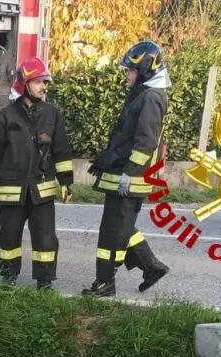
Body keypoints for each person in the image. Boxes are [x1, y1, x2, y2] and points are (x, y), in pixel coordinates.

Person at [82, 41, 171, 298]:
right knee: (122, 228)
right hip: (124, 176)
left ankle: (105, 283)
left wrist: (128, 174)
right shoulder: (144, 94)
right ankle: (151, 266)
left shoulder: (151, 97)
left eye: (130, 70)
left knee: (112, 233)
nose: (126, 75)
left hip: (129, 178)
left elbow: (146, 142)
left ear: (143, 69)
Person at [0, 56, 74, 289]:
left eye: (46, 82)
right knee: (9, 236)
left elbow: (61, 150)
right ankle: (8, 278)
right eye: (39, 82)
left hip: (41, 190)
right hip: (12, 190)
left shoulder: (52, 115)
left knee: (45, 237)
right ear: (24, 85)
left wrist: (66, 182)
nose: (45, 87)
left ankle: (45, 281)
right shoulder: (5, 117)